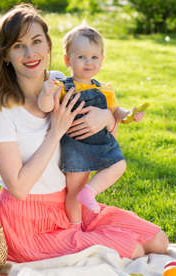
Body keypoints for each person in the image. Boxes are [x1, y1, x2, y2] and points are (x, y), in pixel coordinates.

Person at [0, 4, 168, 262]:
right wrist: (55, 131)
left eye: (37, 41)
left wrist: (106, 118)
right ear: (5, 55)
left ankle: (88, 233)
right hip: (28, 222)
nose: (30, 53)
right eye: (18, 46)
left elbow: (102, 141)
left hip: (68, 205)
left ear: (48, 44)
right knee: (132, 251)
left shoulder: (61, 83)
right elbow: (19, 188)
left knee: (158, 241)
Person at [37, 24, 145, 227]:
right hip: (75, 145)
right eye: (82, 57)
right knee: (74, 190)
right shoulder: (62, 87)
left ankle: (90, 192)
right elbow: (46, 107)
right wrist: (45, 92)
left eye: (95, 57)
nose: (89, 63)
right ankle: (76, 226)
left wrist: (130, 115)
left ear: (102, 60)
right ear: (68, 60)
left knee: (119, 164)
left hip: (101, 144)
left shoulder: (105, 89)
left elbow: (116, 113)